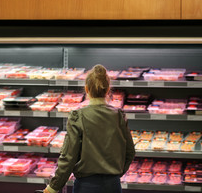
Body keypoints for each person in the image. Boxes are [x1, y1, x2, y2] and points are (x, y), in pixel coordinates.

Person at [43, 64, 135, 193]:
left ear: (86, 89)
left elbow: (69, 157)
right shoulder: (118, 115)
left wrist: (53, 187)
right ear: (108, 89)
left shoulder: (78, 116)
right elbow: (130, 152)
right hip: (113, 185)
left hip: (86, 186)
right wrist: (116, 173)